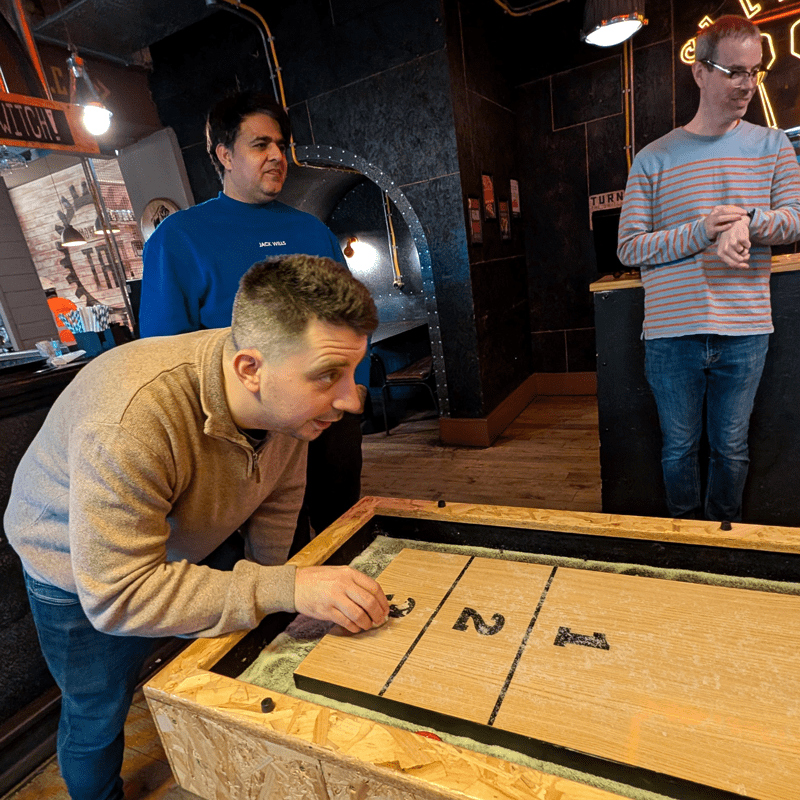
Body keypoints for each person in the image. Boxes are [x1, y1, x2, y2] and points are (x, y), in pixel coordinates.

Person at [4, 255, 390, 800]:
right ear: (249, 370)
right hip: (76, 569)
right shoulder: (128, 421)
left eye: (352, 372)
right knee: (97, 711)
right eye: (328, 375)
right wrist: (286, 587)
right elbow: (118, 597)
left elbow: (277, 495)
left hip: (183, 536)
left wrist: (275, 585)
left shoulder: (285, 396)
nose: (352, 400)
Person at [139, 90, 363, 545]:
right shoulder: (178, 238)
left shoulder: (311, 230)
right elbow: (164, 351)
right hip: (249, 428)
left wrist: (349, 385)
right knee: (278, 540)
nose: (277, 156)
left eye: (281, 145)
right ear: (224, 154)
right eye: (261, 145)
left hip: (327, 415)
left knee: (345, 525)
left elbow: (350, 317)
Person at [617, 15, 800, 521]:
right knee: (677, 450)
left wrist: (745, 220)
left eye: (754, 72)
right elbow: (629, 248)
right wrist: (704, 230)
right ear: (700, 72)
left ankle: (724, 540)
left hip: (745, 329)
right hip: (671, 333)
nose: (747, 84)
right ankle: (684, 542)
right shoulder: (653, 159)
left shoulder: (773, 146)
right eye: (734, 72)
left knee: (732, 449)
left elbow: (794, 221)